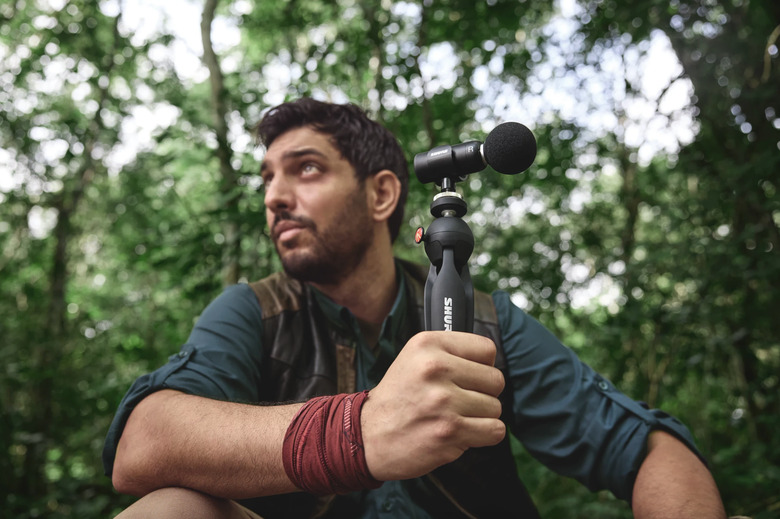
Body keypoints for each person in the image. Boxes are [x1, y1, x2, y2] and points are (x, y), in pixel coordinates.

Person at [104, 97, 727, 519]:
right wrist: (354, 433)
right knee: (173, 510)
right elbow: (144, 443)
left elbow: (648, 449)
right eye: (268, 178)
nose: (275, 196)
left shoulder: (486, 321)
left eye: (306, 169)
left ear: (382, 194)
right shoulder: (254, 312)